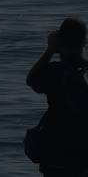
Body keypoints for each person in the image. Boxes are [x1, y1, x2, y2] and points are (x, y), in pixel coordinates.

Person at [27, 18, 88, 177]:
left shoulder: (55, 72)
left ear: (60, 44)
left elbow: (32, 80)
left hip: (56, 152)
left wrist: (49, 50)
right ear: (83, 43)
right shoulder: (81, 71)